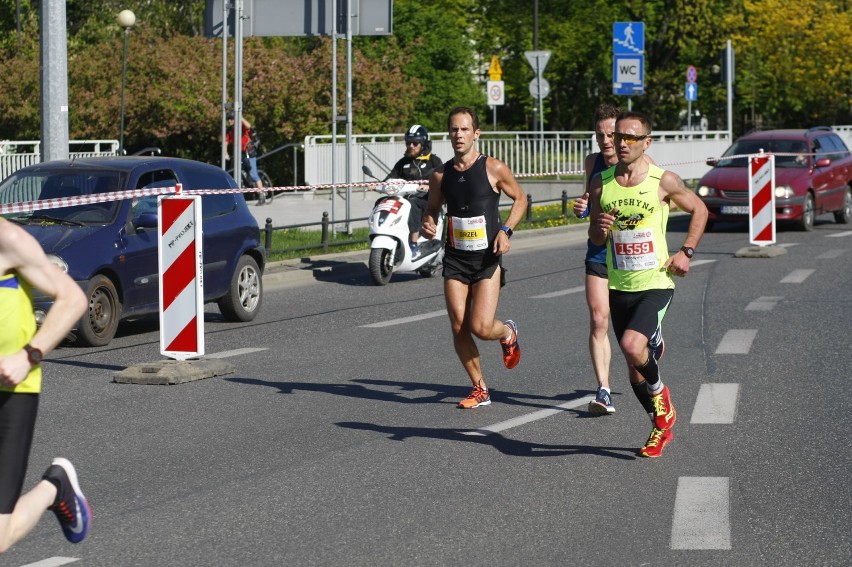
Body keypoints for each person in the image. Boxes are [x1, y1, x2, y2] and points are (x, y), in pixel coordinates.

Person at [588, 110, 707, 458]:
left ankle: (662, 397)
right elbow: (595, 236)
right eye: (618, 137)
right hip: (619, 284)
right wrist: (601, 227)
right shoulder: (602, 182)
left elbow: (699, 209)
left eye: (630, 138)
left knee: (629, 345)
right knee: (634, 366)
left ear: (646, 143)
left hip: (655, 282)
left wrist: (686, 251)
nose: (621, 143)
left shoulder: (662, 181)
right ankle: (659, 426)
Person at [421, 106, 527, 409]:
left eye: (464, 129)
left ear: (476, 133)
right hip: (455, 257)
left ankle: (507, 332)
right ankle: (480, 388)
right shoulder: (440, 175)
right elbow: (432, 209)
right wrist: (428, 222)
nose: (458, 134)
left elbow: (520, 199)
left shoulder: (492, 168)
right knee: (458, 325)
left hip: (486, 259)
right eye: (454, 129)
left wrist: (506, 230)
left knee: (481, 327)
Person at [0, 218, 90, 553]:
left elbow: (72, 299)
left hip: (10, 393)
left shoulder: (8, 240)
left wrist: (27, 357)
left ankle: (55, 487)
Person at [574, 104, 664, 415]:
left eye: (611, 134)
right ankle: (604, 390)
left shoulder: (646, 163)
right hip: (600, 252)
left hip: (632, 262)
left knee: (630, 340)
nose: (607, 141)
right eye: (600, 135)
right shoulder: (592, 163)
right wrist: (583, 208)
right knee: (598, 319)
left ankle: (651, 333)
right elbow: (591, 204)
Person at [386, 125, 442, 258]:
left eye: (415, 143)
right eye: (408, 143)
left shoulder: (433, 161)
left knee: (414, 203)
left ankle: (413, 243)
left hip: (426, 199)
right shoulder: (403, 163)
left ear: (423, 144)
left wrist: (430, 186)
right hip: (404, 197)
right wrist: (377, 185)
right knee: (385, 201)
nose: (411, 146)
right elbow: (390, 178)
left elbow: (442, 180)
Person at [226, 111, 266, 206]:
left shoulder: (241, 126)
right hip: (239, 154)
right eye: (228, 119)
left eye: (231, 119)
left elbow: (249, 126)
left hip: (249, 152)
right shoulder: (230, 130)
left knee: (253, 174)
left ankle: (261, 194)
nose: (229, 121)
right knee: (238, 172)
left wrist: (240, 117)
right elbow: (226, 142)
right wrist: (225, 153)